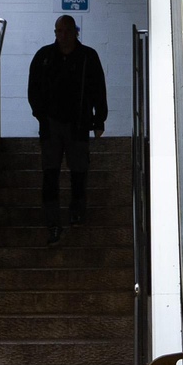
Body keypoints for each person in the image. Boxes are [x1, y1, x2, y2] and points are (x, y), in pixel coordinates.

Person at [27, 14, 107, 245]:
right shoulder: (44, 56)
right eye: (57, 32)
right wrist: (40, 115)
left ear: (74, 32)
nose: (61, 36)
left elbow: (98, 89)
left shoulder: (87, 57)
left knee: (78, 172)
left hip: (78, 123)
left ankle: (76, 212)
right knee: (50, 173)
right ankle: (53, 222)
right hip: (51, 124)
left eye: (64, 31)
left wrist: (99, 120)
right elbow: (33, 88)